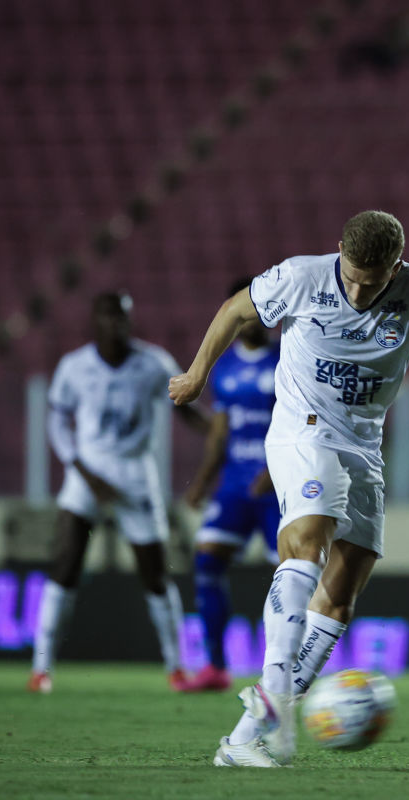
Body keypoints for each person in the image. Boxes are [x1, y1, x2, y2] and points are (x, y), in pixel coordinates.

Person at [169, 210, 409, 766]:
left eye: (373, 280)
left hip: (364, 446)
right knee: (307, 543)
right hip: (302, 431)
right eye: (352, 275)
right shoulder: (302, 277)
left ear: (396, 266)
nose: (359, 290)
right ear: (339, 251)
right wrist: (196, 375)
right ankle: (277, 695)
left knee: (342, 591)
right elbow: (237, 309)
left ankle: (243, 738)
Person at [29, 291, 208, 693]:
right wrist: (80, 468)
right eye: (109, 317)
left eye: (123, 317)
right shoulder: (74, 367)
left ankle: (176, 668)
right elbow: (57, 423)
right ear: (95, 321)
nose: (117, 324)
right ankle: (41, 668)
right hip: (87, 471)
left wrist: (216, 431)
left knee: (155, 574)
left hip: (135, 472)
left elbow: (184, 407)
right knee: (65, 567)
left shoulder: (153, 362)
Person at [181, 278, 282, 693]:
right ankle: (216, 667)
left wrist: (277, 470)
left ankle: (286, 670)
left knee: (292, 574)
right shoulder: (224, 367)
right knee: (206, 559)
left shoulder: (287, 359)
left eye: (263, 309)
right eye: (248, 309)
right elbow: (220, 433)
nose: (255, 317)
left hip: (279, 488)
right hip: (235, 486)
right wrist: (202, 481)